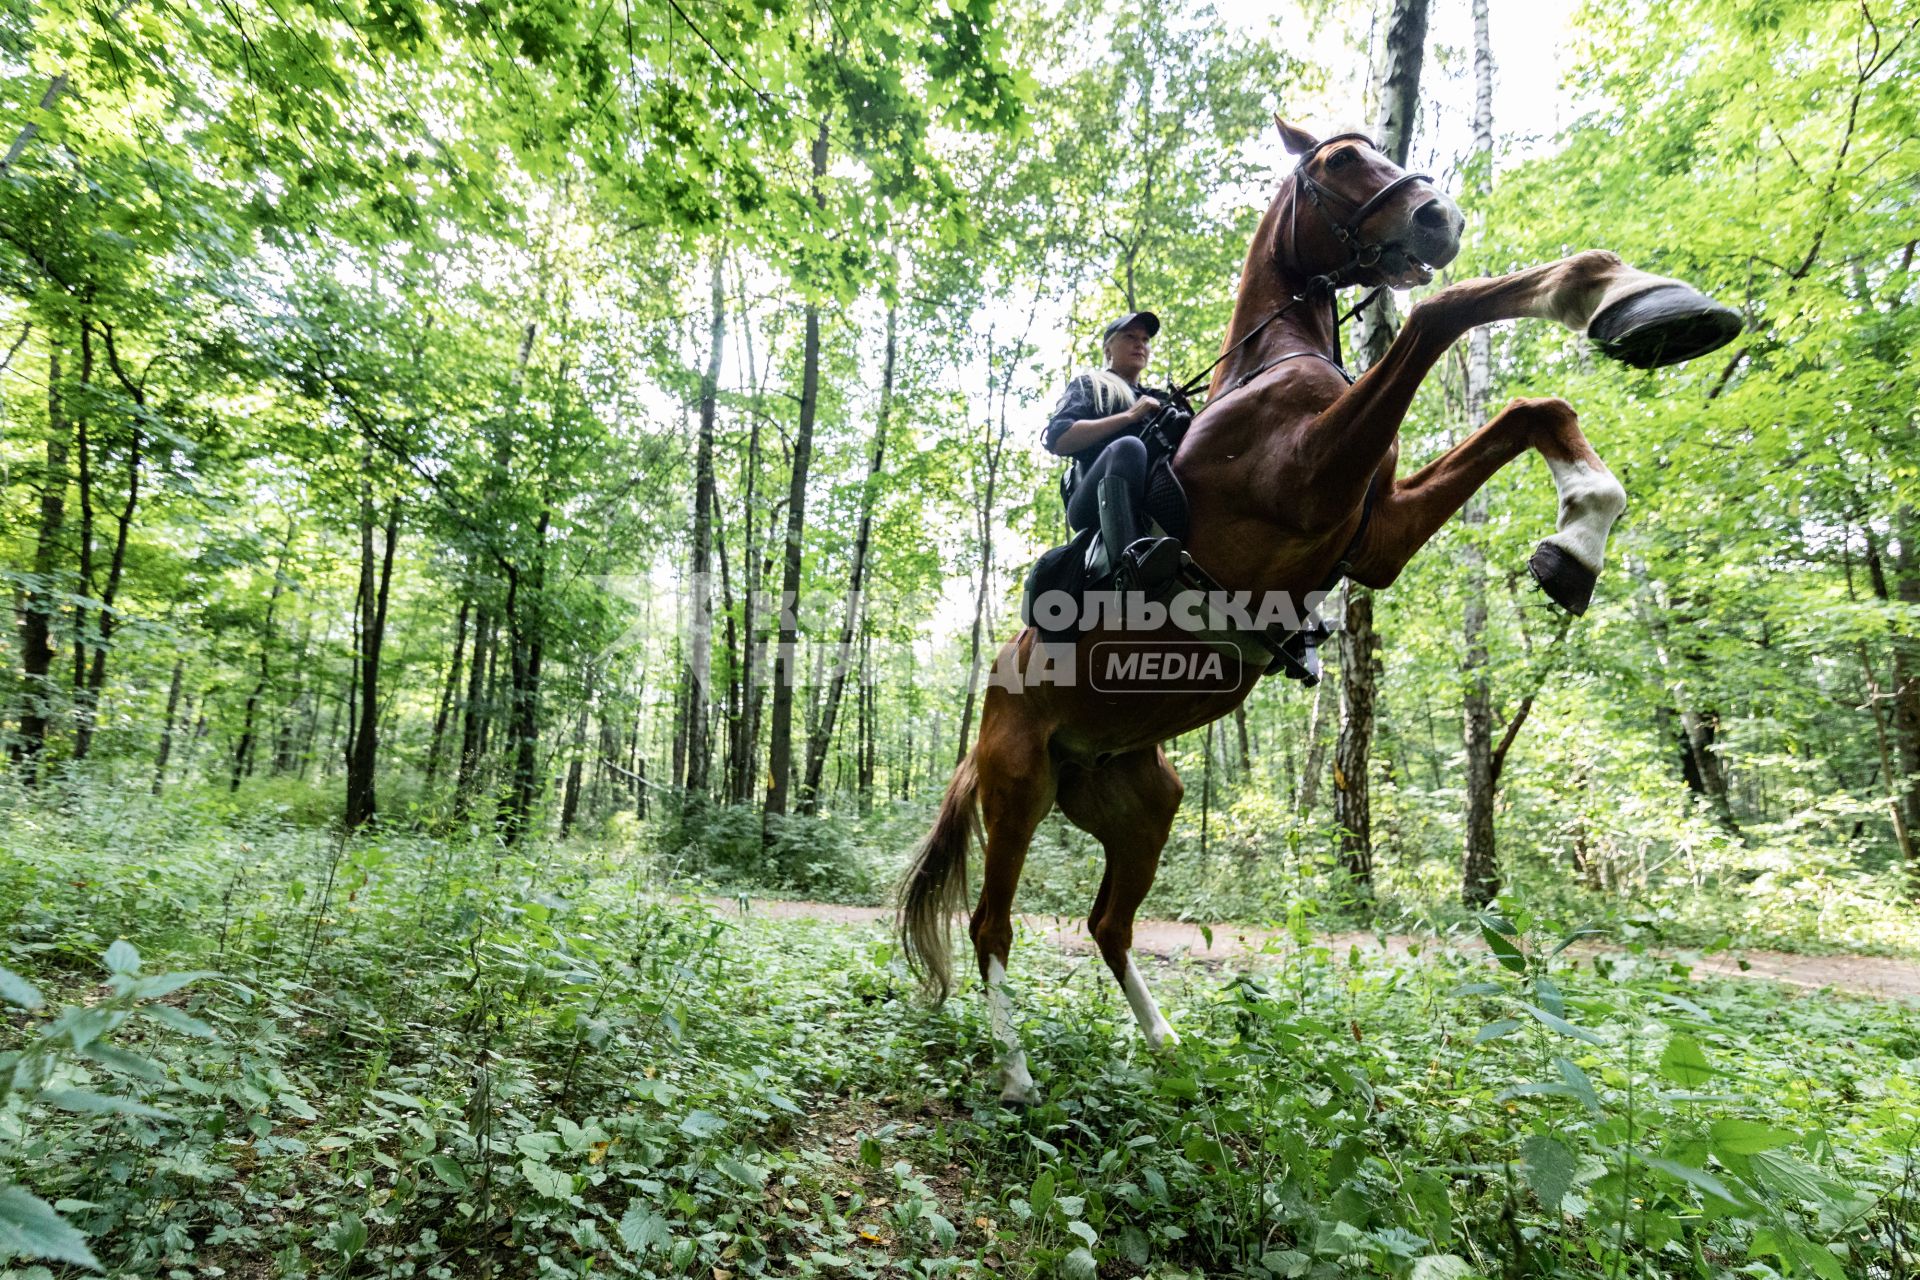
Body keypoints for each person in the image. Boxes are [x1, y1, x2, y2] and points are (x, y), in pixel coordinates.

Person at [1043, 311, 1185, 591]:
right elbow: (1059, 439)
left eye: (1145, 339)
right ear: (1108, 349)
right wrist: (1130, 416)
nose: (1140, 344)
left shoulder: (1157, 397)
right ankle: (1130, 568)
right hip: (1091, 499)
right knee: (1128, 447)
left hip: (1152, 489)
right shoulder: (1091, 385)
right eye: (1130, 337)